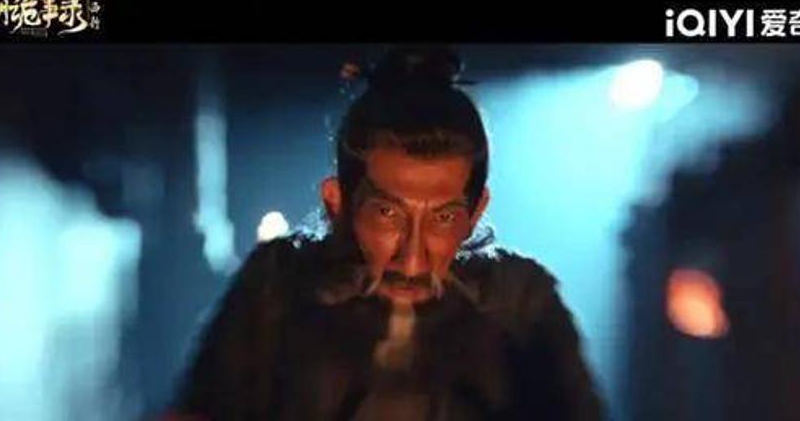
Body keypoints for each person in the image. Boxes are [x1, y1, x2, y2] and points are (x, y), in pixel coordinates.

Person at [166, 46, 604, 420]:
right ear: (337, 203)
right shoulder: (279, 287)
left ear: (475, 212)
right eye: (387, 213)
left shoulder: (519, 304)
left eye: (443, 218)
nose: (412, 260)